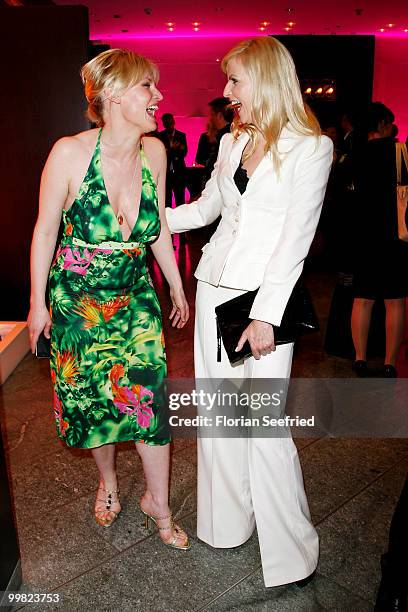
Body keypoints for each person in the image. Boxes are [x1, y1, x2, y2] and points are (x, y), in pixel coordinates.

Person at [166, 37, 333, 587]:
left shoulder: (312, 147)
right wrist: (152, 219)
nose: (225, 90)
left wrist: (266, 315)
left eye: (235, 80)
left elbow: (295, 240)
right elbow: (210, 207)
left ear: (263, 78)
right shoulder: (234, 139)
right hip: (216, 287)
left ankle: (291, 552)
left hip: (265, 305)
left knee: (265, 425)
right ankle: (226, 525)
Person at [27, 49, 190, 550]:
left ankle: (157, 503)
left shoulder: (155, 153)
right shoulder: (70, 153)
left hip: (135, 297)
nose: (158, 96)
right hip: (77, 299)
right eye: (148, 86)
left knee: (147, 402)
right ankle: (110, 485)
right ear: (114, 94)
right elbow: (45, 231)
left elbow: (157, 226)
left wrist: (179, 286)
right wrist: (37, 304)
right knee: (94, 400)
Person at [351, 102, 408, 378]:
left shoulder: (354, 154)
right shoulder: (401, 152)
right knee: (394, 300)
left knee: (363, 298)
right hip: (395, 235)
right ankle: (389, 362)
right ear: (384, 123)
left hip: (363, 234)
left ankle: (359, 358)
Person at [195, 97, 233, 185]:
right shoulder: (236, 134)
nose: (210, 118)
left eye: (212, 114)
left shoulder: (227, 137)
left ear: (219, 115)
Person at [158, 113, 188, 207]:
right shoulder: (160, 136)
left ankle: (181, 220)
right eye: (166, 122)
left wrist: (169, 151)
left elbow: (184, 153)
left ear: (174, 122)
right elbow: (161, 154)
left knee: (180, 198)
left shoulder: (181, 135)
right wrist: (174, 149)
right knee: (167, 199)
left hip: (179, 171)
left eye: (170, 121)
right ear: (163, 124)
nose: (168, 124)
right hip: (166, 172)